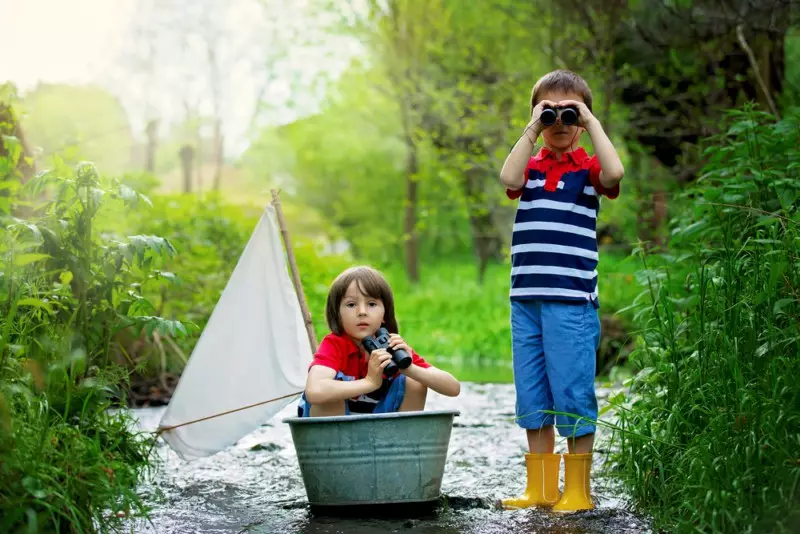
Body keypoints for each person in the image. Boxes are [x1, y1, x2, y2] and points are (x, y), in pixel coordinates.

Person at [498, 69, 624, 511]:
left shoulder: (589, 169)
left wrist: (590, 122)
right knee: (532, 394)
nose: (560, 121)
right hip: (525, 301)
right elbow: (506, 176)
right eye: (550, 112)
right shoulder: (529, 168)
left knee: (572, 391)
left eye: (569, 113)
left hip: (571, 301)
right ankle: (540, 488)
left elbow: (615, 170)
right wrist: (533, 126)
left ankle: (577, 491)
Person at [298, 265, 460, 417]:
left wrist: (410, 369)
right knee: (327, 394)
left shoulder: (390, 345)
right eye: (351, 304)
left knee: (415, 381)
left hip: (379, 427)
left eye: (372, 304)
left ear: (384, 315)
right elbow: (314, 390)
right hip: (336, 430)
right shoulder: (335, 344)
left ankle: (400, 443)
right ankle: (335, 447)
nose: (362, 312)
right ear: (337, 315)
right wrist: (369, 382)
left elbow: (453, 388)